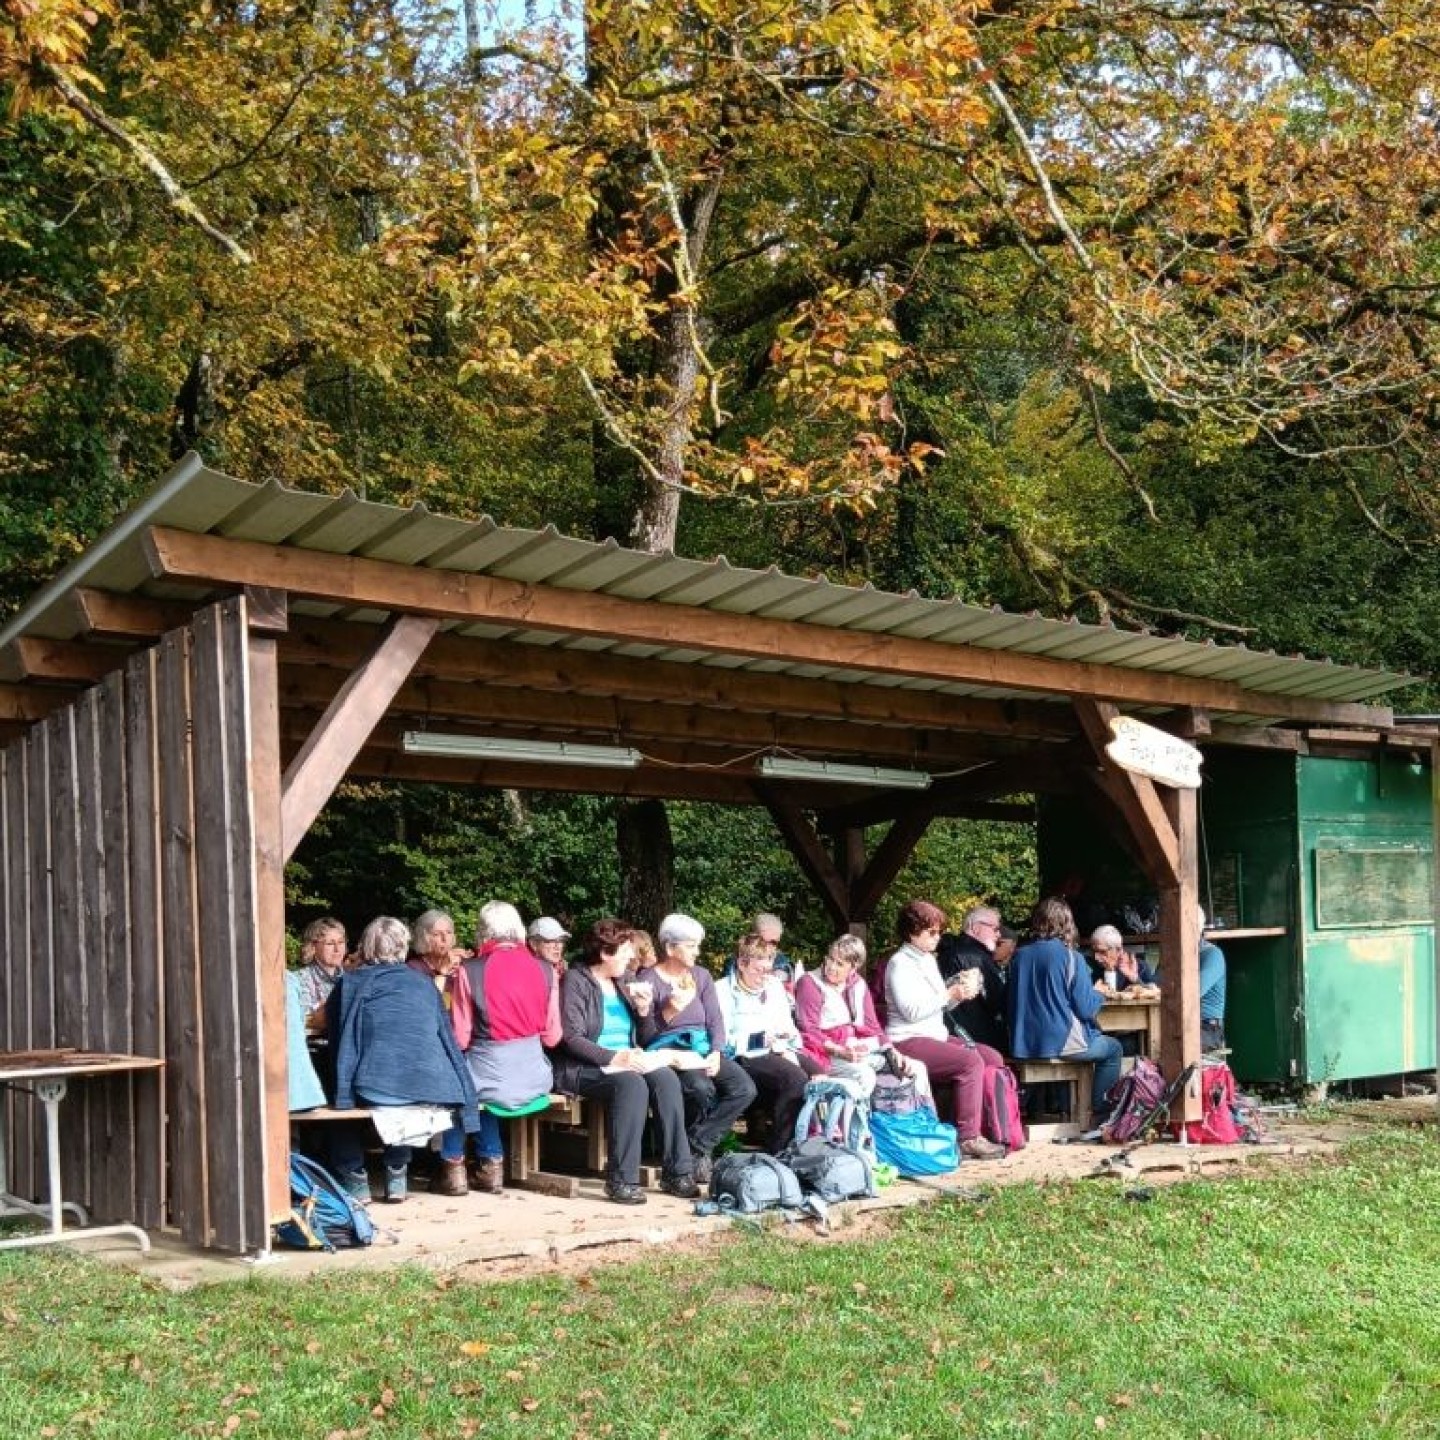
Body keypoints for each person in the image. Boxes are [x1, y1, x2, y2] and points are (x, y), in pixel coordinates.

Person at [327, 915, 482, 1203]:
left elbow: (338, 1044)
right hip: (431, 1086)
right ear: (404, 946)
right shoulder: (425, 985)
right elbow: (446, 1038)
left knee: (338, 1099)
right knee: (405, 1088)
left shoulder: (350, 983)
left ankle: (354, 1176)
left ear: (367, 946)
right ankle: (397, 1173)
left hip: (379, 1086)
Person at [550, 919, 700, 1205]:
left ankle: (677, 1172)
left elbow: (646, 1037)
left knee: (666, 1079)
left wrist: (645, 1011)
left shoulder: (626, 980)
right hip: (585, 1066)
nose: (632, 957)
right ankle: (621, 1180)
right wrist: (614, 1056)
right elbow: (571, 1037)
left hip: (627, 1058)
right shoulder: (576, 981)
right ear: (606, 953)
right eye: (625, 952)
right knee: (631, 1085)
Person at [636, 912, 756, 1185]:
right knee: (701, 1088)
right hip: (668, 1051)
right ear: (670, 948)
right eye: (690, 946)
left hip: (702, 1048)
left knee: (744, 1088)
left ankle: (693, 1146)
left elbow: (715, 1019)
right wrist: (669, 1009)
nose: (697, 951)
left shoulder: (701, 976)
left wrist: (715, 1052)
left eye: (696, 945)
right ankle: (693, 1160)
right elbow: (644, 1037)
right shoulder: (649, 980)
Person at [883, 900, 1007, 1161]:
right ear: (912, 931)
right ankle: (968, 1138)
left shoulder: (927, 960)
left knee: (992, 1058)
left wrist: (961, 993)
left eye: (939, 931)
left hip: (934, 1034)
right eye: (931, 932)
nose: (938, 938)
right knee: (970, 1062)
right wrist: (949, 992)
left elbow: (941, 1004)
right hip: (907, 1039)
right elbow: (912, 1011)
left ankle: (982, 1125)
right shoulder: (900, 963)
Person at [455, 901, 562, 1194]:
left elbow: (461, 1038)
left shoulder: (469, 970)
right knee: (485, 1082)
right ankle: (490, 1164)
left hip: (488, 1076)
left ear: (483, 931)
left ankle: (464, 1165)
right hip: (535, 1078)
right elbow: (552, 1037)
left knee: (460, 1083)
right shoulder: (546, 969)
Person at [1007, 897, 1123, 1124]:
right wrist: (1098, 992)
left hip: (1022, 1043)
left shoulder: (1018, 956)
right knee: (1114, 1049)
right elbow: (1087, 1008)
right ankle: (1100, 1117)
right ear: (1067, 923)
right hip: (1061, 1043)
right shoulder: (1072, 957)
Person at [716, 933, 824, 1151]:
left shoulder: (774, 986)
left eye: (768, 970)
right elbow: (723, 1038)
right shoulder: (722, 990)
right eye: (759, 970)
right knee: (795, 1080)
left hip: (778, 1049)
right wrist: (759, 1039)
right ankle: (781, 1149)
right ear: (742, 964)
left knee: (821, 1076)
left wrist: (787, 1038)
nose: (765, 976)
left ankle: (816, 1140)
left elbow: (790, 1029)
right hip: (746, 1054)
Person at [794, 933, 926, 1099]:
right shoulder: (810, 983)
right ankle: (860, 1124)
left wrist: (893, 1052)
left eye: (839, 964)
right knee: (865, 1075)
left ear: (853, 968)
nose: (831, 967)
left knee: (916, 1067)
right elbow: (808, 1030)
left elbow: (873, 1028)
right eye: (830, 959)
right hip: (824, 1053)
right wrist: (841, 1051)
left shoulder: (858, 984)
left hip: (856, 1049)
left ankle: (923, 1121)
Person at [405, 908, 475, 1195]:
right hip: (424, 1047)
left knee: (470, 1079)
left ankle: (453, 1164)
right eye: (436, 934)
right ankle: (446, 1163)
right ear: (423, 938)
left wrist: (467, 973)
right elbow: (422, 1011)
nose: (444, 940)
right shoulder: (413, 968)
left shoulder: (462, 969)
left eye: (448, 933)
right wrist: (444, 975)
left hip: (458, 1044)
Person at [936, 904, 1009, 1051]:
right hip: (975, 1038)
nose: (999, 935)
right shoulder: (974, 957)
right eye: (995, 929)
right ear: (976, 928)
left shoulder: (952, 952)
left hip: (955, 1035)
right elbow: (999, 1002)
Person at [294, 917, 347, 1029]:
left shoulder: (350, 979)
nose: (337, 949)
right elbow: (299, 1022)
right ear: (313, 947)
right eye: (330, 944)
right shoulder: (299, 979)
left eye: (341, 942)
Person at [1088, 925, 1157, 990]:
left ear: (1118, 950)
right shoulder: (1091, 968)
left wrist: (1135, 979)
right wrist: (1109, 971)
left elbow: (1154, 993)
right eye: (1094, 952)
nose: (1096, 957)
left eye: (1102, 952)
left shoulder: (1141, 967)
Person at [1198, 907, 1228, 1052]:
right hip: (1175, 1023)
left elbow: (1193, 993)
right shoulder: (1173, 953)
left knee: (1168, 1046)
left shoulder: (1212, 955)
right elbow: (1155, 987)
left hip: (1207, 1027)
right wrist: (1136, 979)